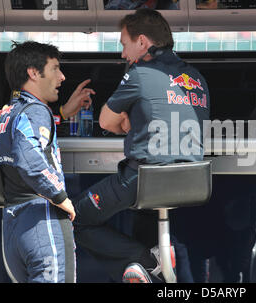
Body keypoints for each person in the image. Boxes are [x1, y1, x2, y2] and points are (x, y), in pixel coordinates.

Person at [71, 8, 210, 283]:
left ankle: (145, 260)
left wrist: (128, 120)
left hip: (145, 179)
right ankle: (151, 273)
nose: (123, 54)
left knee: (74, 218)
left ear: (143, 42)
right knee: (146, 218)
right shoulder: (197, 79)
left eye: (124, 44)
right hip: (192, 181)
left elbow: (106, 121)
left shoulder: (139, 73)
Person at [0, 41, 95, 283]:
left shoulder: (1, 116)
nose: (63, 77)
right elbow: (29, 160)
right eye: (55, 68)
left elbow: (26, 137)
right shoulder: (36, 111)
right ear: (34, 73)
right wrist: (60, 197)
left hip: (13, 226)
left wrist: (63, 114)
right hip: (42, 219)